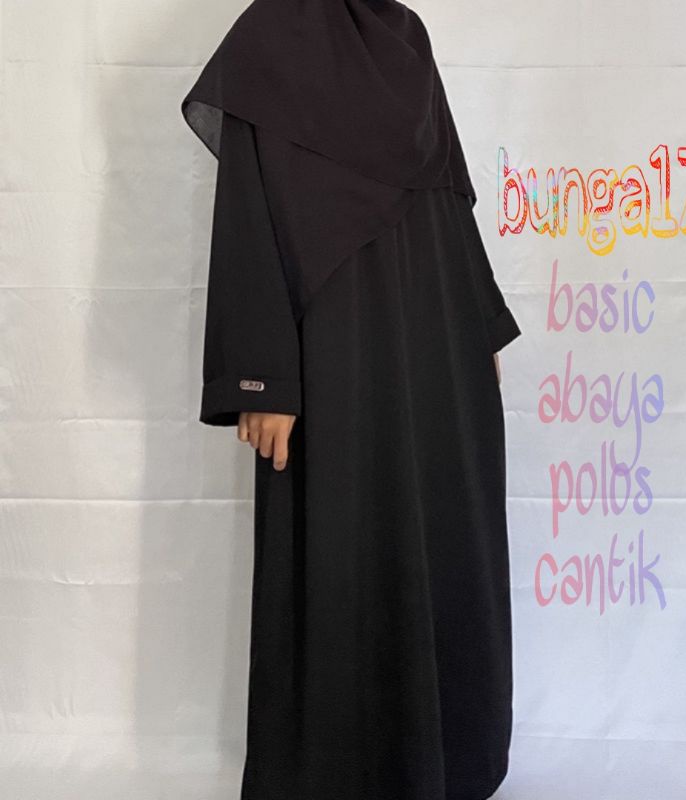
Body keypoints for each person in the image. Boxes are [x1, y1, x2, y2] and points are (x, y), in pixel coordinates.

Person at [181, 1, 522, 798]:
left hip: (435, 337)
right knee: (343, 543)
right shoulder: (274, 31)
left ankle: (445, 765)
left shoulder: (407, 34)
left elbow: (447, 193)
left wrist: (481, 323)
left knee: (440, 531)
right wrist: (262, 374)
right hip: (330, 342)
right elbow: (247, 208)